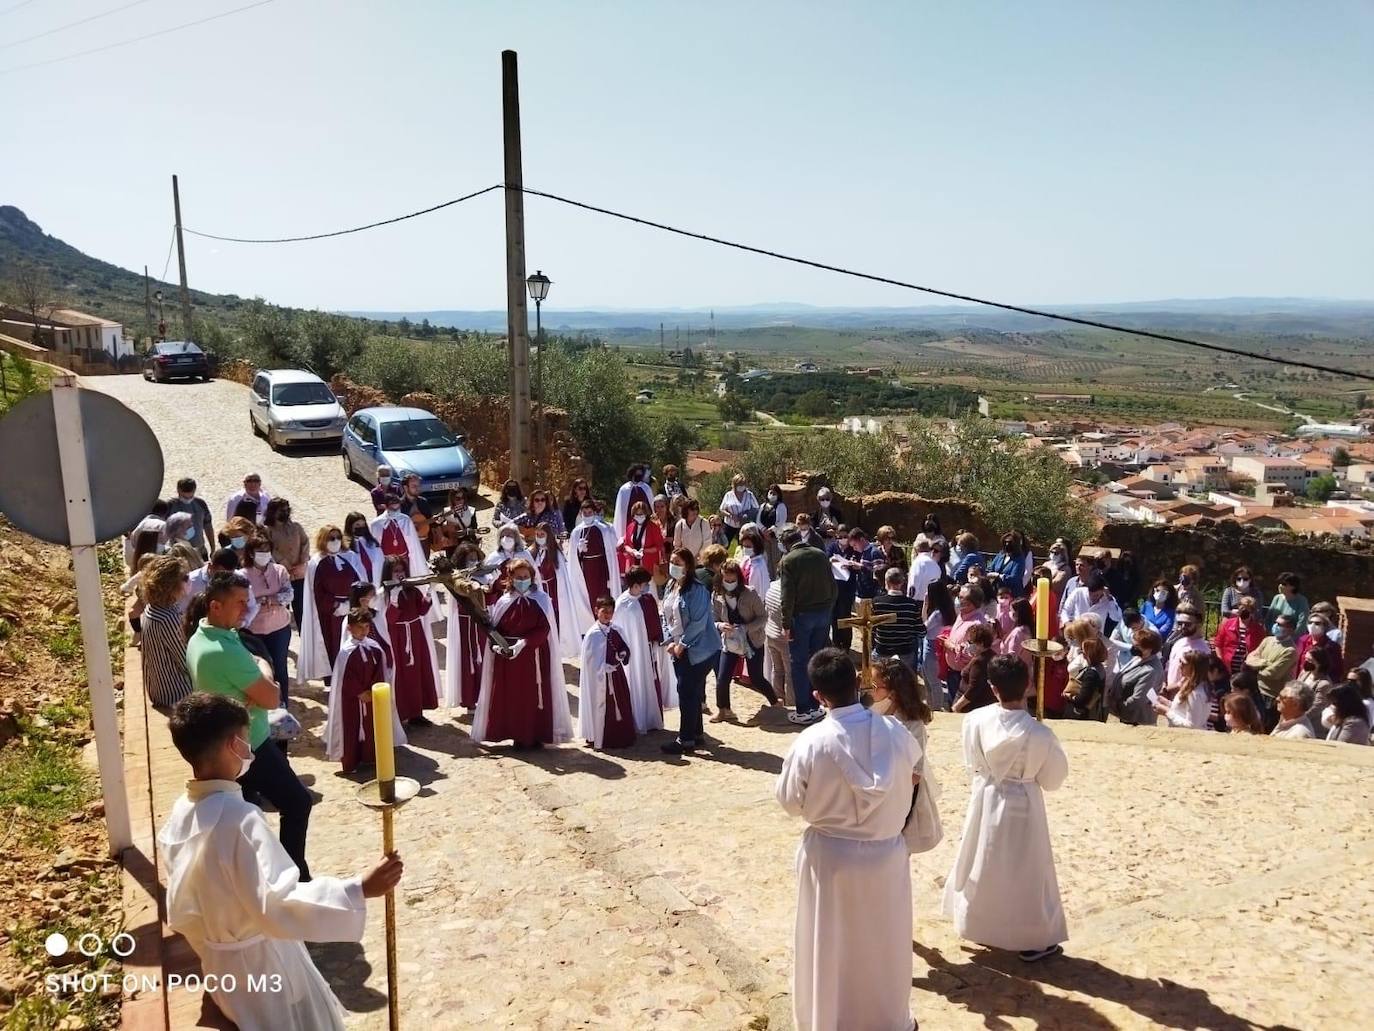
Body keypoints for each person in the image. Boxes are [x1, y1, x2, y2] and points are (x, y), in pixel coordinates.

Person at [159, 693, 403, 1031]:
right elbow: (276, 902)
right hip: (263, 965)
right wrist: (359, 888)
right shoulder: (239, 819)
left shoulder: (180, 813)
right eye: (246, 741)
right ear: (234, 745)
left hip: (219, 964)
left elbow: (183, 911)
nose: (249, 750)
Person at [775, 648, 919, 1031]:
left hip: (831, 858)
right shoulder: (897, 733)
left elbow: (789, 803)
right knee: (883, 940)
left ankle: (830, 1020)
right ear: (859, 683)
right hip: (885, 853)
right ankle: (886, 1019)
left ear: (818, 695)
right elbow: (913, 775)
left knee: (829, 944)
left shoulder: (809, 742)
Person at [186, 574, 313, 877]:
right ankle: (295, 875)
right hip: (249, 746)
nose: (246, 609)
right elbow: (272, 697)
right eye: (240, 603)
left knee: (247, 817)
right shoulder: (223, 651)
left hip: (232, 741)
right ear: (215, 606)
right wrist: (263, 667)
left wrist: (255, 673)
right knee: (297, 803)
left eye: (248, 601)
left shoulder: (201, 637)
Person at [944, 654, 1068, 963]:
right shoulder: (1040, 734)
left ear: (992, 688)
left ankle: (978, 923)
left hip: (986, 796)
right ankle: (1030, 937)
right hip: (1023, 803)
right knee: (1025, 869)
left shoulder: (974, 720)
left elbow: (971, 761)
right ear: (1028, 685)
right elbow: (1053, 779)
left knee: (982, 861)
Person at [471, 557, 572, 748]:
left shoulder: (542, 600)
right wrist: (496, 645)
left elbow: (545, 628)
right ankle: (517, 735)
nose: (522, 580)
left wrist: (525, 643)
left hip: (534, 657)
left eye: (525, 576)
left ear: (532, 577)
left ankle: (536, 735)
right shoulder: (503, 602)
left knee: (534, 696)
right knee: (513, 697)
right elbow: (495, 629)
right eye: (518, 577)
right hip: (509, 660)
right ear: (510, 578)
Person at [323, 608, 407, 773]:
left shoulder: (374, 648)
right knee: (351, 730)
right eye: (359, 627)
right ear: (349, 629)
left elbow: (380, 671)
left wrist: (373, 690)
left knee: (372, 728)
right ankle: (351, 761)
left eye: (367, 627)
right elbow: (345, 678)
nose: (363, 631)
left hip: (371, 698)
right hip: (352, 701)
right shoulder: (345, 652)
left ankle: (370, 757)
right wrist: (359, 692)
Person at [661, 548, 723, 753]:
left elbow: (698, 622)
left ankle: (685, 739)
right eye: (672, 561)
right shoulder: (672, 585)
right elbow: (666, 614)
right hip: (680, 646)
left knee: (686, 691)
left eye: (678, 562)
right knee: (693, 691)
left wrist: (681, 645)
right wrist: (669, 639)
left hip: (700, 649)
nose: (674, 566)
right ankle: (696, 733)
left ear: (688, 565)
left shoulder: (697, 590)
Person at [777, 527, 837, 726]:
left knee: (799, 662)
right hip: (823, 613)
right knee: (817, 659)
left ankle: (803, 709)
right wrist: (829, 609)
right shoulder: (820, 554)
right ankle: (816, 704)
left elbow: (787, 596)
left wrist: (786, 623)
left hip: (802, 616)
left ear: (785, 545)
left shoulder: (788, 561)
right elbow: (833, 585)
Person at [297, 525, 366, 686]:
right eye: (331, 538)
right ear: (323, 540)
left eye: (337, 537)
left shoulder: (348, 558)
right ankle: (335, 682)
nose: (335, 541)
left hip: (350, 610)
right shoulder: (317, 563)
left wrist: (354, 601)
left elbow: (359, 581)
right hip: (330, 616)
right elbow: (317, 592)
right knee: (333, 646)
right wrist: (336, 606)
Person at [711, 559, 779, 721]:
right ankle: (723, 709)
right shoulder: (717, 595)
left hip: (752, 640)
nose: (729, 583)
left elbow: (763, 617)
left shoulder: (750, 593)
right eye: (726, 580)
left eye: (732, 580)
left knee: (756, 677)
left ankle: (775, 702)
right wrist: (720, 625)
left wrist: (746, 628)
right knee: (722, 677)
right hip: (730, 641)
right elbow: (712, 618)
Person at [379, 555, 440, 727]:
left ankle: (416, 712)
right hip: (397, 637)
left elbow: (421, 610)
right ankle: (401, 712)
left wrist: (429, 592)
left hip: (415, 634)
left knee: (417, 673)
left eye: (402, 570)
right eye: (396, 571)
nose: (399, 574)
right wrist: (393, 599)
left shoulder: (411, 589)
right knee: (402, 676)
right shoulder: (384, 594)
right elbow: (390, 619)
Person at [613, 566, 675, 730]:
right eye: (644, 583)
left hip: (649, 649)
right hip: (634, 653)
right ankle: (638, 718)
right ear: (635, 585)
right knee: (636, 681)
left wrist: (658, 640)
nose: (647, 586)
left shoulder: (648, 599)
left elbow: (655, 621)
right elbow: (620, 630)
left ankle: (652, 719)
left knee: (652, 681)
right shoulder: (622, 604)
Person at [578, 597, 637, 750]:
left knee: (621, 704)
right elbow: (589, 662)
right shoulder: (592, 634)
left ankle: (622, 736)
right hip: (600, 683)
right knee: (604, 709)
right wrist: (602, 668)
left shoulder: (616, 629)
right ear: (597, 611)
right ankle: (602, 737)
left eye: (610, 612)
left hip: (617, 678)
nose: (608, 615)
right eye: (604, 611)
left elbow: (624, 646)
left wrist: (623, 654)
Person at [243, 536, 295, 705]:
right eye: (260, 551)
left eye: (267, 550)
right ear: (251, 553)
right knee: (260, 670)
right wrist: (261, 600)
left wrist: (268, 599)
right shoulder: (242, 575)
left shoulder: (279, 571)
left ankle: (283, 703)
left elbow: (288, 594)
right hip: (253, 631)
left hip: (279, 628)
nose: (264, 554)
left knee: (280, 667)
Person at [140, 555, 194, 708]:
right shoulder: (168, 619)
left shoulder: (153, 608)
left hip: (158, 687)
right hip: (176, 692)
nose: (188, 581)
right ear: (171, 585)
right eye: (184, 578)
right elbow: (186, 660)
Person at [567, 499, 622, 638]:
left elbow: (610, 551)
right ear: (581, 513)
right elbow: (573, 557)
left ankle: (606, 623)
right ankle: (592, 626)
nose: (587, 515)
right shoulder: (576, 532)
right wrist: (579, 550)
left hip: (601, 568)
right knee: (589, 598)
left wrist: (609, 574)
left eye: (590, 512)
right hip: (586, 571)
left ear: (594, 512)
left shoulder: (603, 529)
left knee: (603, 596)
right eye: (584, 513)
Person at [530, 521, 582, 660]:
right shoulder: (531, 552)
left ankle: (555, 651)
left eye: (542, 534)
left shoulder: (555, 553)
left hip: (553, 592)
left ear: (548, 535)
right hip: (537, 592)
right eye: (538, 534)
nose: (540, 536)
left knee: (555, 621)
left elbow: (561, 576)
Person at [940, 584, 989, 707]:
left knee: (961, 709)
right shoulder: (962, 615)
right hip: (953, 671)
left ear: (972, 603)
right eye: (958, 597)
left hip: (963, 676)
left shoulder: (977, 624)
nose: (958, 600)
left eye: (962, 598)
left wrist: (949, 645)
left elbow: (973, 651)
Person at [1244, 612, 1298, 722]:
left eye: (1280, 625)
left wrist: (1256, 668)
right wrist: (1265, 663)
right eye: (1276, 623)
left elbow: (1274, 674)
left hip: (1272, 696)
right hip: (1256, 690)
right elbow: (1250, 658)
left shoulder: (1290, 650)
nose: (1276, 626)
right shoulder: (1267, 640)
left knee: (1266, 725)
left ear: (1290, 629)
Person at [369, 490, 429, 585]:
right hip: (387, 563)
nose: (396, 511)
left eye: (397, 508)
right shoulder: (377, 523)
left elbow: (413, 544)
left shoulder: (405, 520)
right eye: (393, 509)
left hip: (404, 561)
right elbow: (375, 548)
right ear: (386, 506)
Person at [871, 567, 924, 672]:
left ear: (886, 582)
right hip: (905, 651)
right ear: (902, 583)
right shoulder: (911, 604)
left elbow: (872, 628)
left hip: (883, 649)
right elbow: (921, 631)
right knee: (907, 683)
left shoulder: (877, 603)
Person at [1109, 627, 1164, 726]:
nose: (1133, 647)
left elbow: (1138, 699)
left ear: (1149, 649)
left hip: (1137, 720)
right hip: (1128, 716)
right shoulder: (1139, 658)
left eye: (1137, 646)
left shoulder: (1150, 671)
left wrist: (1117, 707)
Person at [828, 527, 872, 648]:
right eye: (840, 537)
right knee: (834, 617)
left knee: (846, 617)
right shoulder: (833, 547)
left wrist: (850, 565)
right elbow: (826, 559)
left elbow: (861, 566)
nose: (843, 539)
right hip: (835, 586)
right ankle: (837, 644)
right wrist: (831, 560)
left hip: (848, 587)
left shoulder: (854, 549)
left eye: (845, 536)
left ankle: (846, 645)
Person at [1155, 650, 1212, 730]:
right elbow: (1182, 710)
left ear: (1194, 668)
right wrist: (1166, 703)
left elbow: (1192, 725)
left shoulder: (1195, 693)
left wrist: (1166, 712)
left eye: (1184, 664)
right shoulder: (1190, 685)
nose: (1180, 666)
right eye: (1180, 662)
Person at [923, 580, 958, 708]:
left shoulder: (937, 613)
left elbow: (923, 627)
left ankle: (935, 709)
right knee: (930, 680)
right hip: (936, 646)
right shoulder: (948, 608)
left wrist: (925, 605)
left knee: (932, 681)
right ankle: (931, 706)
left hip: (931, 646)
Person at [1213, 596, 1266, 677]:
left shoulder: (1258, 629)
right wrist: (1220, 660)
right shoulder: (1228, 624)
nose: (1244, 611)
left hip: (1247, 669)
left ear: (1252, 611)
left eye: (1247, 609)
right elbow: (1218, 643)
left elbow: (1262, 649)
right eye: (1242, 608)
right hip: (1227, 667)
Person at [952, 623, 997, 713]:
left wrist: (957, 707)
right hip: (982, 705)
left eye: (970, 642)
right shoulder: (991, 655)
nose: (967, 645)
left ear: (980, 644)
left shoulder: (979, 662)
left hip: (970, 707)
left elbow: (973, 689)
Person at [763, 576, 793, 708]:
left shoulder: (772, 586)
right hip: (783, 637)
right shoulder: (788, 591)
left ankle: (778, 698)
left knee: (777, 669)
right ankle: (792, 703)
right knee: (790, 673)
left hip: (770, 633)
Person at [167, 477, 215, 557]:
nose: (188, 499)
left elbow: (208, 526)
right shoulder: (170, 506)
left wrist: (212, 547)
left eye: (190, 497)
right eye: (185, 497)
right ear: (178, 490)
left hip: (200, 552)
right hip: (179, 554)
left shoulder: (200, 504)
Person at [1164, 605, 1211, 685]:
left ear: (1198, 623)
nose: (1182, 627)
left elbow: (1193, 680)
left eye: (1187, 624)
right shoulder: (1178, 642)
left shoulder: (1203, 650)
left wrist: (1168, 690)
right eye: (1179, 623)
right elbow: (1168, 667)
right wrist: (1163, 684)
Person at [618, 500, 666, 577]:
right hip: (633, 565)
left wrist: (645, 551)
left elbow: (659, 546)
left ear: (646, 514)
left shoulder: (653, 527)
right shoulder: (630, 526)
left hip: (649, 565)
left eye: (641, 514)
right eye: (637, 514)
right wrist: (633, 551)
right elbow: (626, 544)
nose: (639, 516)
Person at [1295, 612, 1345, 681]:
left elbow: (1337, 671)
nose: (1312, 625)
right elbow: (1297, 663)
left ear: (1325, 626)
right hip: (1301, 679)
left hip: (1319, 683)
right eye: (1310, 622)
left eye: (1317, 623)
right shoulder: (1302, 640)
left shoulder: (1332, 646)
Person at [611, 464, 653, 539]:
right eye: (636, 474)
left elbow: (651, 505)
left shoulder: (646, 488)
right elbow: (621, 511)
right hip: (628, 520)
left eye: (640, 474)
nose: (638, 476)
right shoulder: (624, 489)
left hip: (645, 519)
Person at [344, 510, 384, 587]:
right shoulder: (346, 546)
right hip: (358, 582)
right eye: (357, 525)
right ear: (350, 526)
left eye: (363, 524)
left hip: (375, 578)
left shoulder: (371, 542)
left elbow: (380, 560)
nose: (361, 527)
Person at [716, 474, 759, 545]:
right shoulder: (728, 495)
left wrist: (745, 515)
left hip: (744, 526)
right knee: (724, 545)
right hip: (729, 525)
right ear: (735, 484)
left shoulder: (749, 495)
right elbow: (722, 509)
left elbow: (756, 508)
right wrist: (730, 515)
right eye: (739, 484)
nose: (741, 486)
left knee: (743, 545)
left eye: (743, 484)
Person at [988, 530, 1031, 598]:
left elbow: (1015, 578)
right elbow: (991, 568)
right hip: (997, 591)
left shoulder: (1020, 559)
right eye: (1005, 542)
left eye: (1010, 542)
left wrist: (999, 576)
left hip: (1012, 594)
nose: (1007, 544)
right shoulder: (1001, 554)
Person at [906, 538, 943, 606]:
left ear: (916, 549)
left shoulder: (918, 563)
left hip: (918, 602)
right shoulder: (935, 564)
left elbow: (913, 584)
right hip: (933, 601)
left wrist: (909, 600)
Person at [1107, 608, 1143, 674]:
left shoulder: (1152, 631)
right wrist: (1130, 647)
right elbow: (1111, 641)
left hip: (1138, 666)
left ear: (1140, 620)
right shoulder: (1122, 622)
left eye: (1134, 628)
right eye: (1130, 628)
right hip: (1120, 662)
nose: (1132, 631)